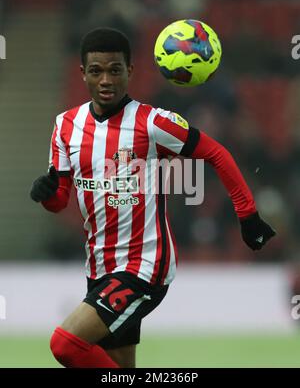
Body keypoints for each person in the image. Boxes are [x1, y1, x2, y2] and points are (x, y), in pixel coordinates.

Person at [30, 27, 276, 368]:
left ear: (130, 71)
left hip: (144, 265)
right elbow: (59, 200)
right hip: (99, 266)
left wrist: (247, 216)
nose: (106, 80)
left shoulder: (152, 122)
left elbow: (217, 153)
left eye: (115, 70)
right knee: (120, 367)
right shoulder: (65, 125)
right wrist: (45, 193)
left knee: (65, 345)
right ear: (82, 73)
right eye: (97, 70)